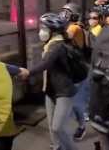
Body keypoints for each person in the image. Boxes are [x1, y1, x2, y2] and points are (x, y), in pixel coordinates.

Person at [22, 13, 77, 150]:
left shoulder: (58, 46)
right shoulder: (50, 44)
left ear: (53, 31)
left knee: (57, 127)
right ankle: (57, 147)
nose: (41, 32)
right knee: (52, 127)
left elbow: (46, 64)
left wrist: (29, 72)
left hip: (64, 91)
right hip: (50, 90)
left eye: (44, 29)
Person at [60, 3, 89, 141]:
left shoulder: (74, 27)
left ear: (74, 15)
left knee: (74, 102)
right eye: (63, 12)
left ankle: (82, 125)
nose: (63, 15)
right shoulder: (72, 27)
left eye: (67, 12)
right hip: (72, 70)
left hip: (76, 71)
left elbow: (64, 38)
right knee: (70, 102)